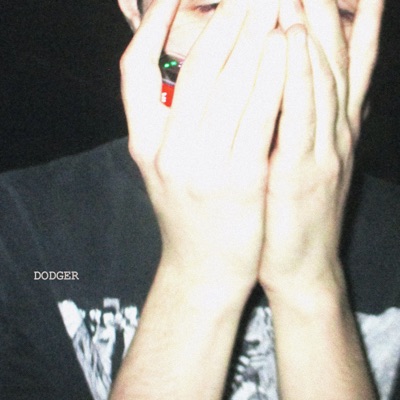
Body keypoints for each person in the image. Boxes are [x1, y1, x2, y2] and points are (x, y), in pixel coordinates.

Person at [0, 0, 399, 399]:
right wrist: (199, 276)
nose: (269, 42)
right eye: (213, 6)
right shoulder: (20, 232)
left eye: (336, 12)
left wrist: (310, 286)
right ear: (134, 10)